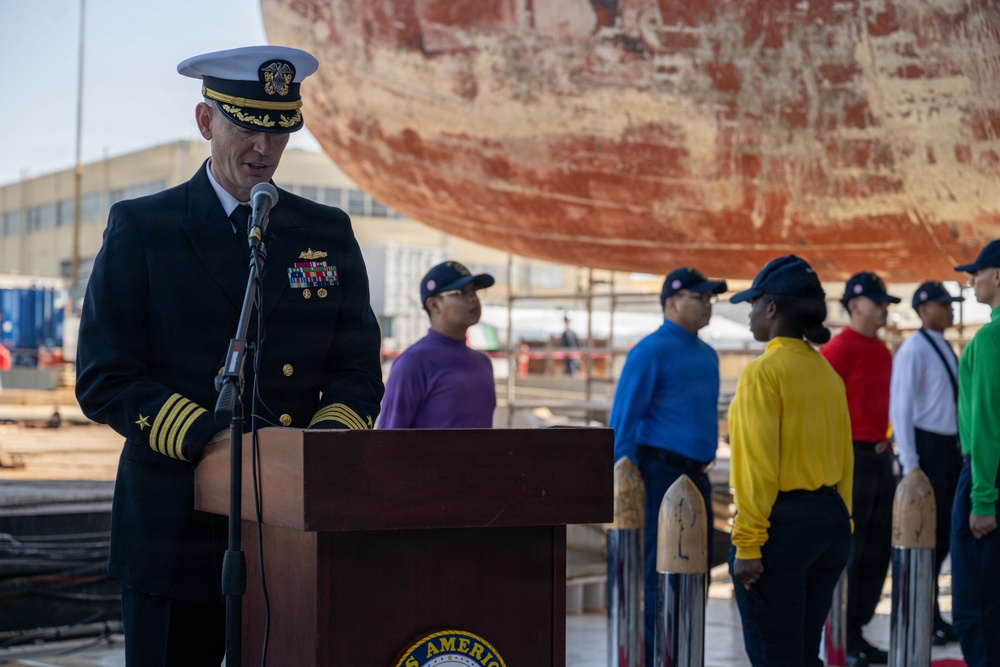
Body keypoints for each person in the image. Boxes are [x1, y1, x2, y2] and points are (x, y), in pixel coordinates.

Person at [74, 46, 384, 666]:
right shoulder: (144, 227)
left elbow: (355, 372)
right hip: (175, 521)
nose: (263, 149)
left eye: (278, 131)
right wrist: (207, 438)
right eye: (246, 125)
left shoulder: (325, 232)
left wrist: (312, 455)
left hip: (288, 529)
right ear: (205, 121)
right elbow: (104, 375)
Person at [728, 254, 854, 667]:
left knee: (775, 656)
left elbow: (756, 467)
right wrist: (845, 523)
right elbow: (844, 457)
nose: (749, 315)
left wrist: (748, 543)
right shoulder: (825, 372)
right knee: (802, 652)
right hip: (829, 525)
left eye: (752, 304)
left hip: (783, 528)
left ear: (772, 307)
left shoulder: (763, 373)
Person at [609, 266, 726, 661]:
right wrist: (626, 481)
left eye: (711, 297)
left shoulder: (708, 354)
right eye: (700, 297)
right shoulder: (649, 351)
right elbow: (622, 422)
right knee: (657, 574)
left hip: (697, 476)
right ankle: (654, 654)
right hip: (658, 474)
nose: (708, 304)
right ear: (672, 303)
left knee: (697, 571)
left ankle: (683, 652)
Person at [820, 271, 900, 666]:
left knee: (877, 549)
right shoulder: (837, 351)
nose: (884, 308)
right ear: (854, 305)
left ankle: (858, 632)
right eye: (878, 301)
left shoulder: (883, 351)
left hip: (880, 456)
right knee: (852, 551)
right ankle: (842, 635)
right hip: (850, 457)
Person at [888, 280, 964, 645]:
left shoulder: (942, 347)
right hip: (927, 447)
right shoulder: (914, 349)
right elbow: (900, 406)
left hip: (948, 447)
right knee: (925, 536)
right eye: (943, 304)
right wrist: (910, 461)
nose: (949, 311)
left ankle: (932, 613)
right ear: (923, 308)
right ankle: (922, 613)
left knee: (943, 537)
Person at [950, 239, 1000, 667]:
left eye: (976, 273)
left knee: (978, 603)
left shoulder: (989, 339)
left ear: (998, 276)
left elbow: (986, 422)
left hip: (989, 476)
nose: (972, 282)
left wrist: (982, 499)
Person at [378, 261, 496, 428]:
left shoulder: (483, 362)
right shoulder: (413, 363)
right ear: (434, 305)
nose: (472, 299)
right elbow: (387, 442)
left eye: (473, 291)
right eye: (460, 292)